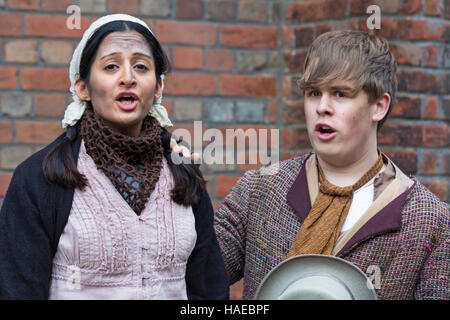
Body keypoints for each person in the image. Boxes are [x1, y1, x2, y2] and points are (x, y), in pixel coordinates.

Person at [0, 14, 228, 300]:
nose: (128, 78)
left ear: (158, 87)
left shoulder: (183, 170)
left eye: (141, 67)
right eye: (110, 66)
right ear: (81, 87)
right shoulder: (38, 179)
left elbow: (209, 291)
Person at [212, 31, 449, 300]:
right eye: (314, 92)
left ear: (379, 107)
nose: (322, 107)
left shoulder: (429, 221)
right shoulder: (260, 189)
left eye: (340, 94)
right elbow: (192, 277)